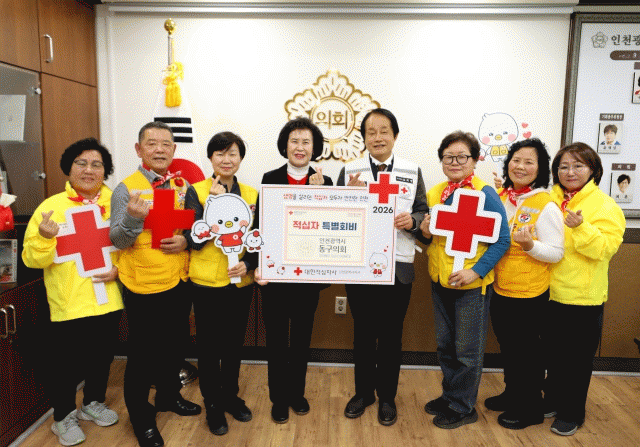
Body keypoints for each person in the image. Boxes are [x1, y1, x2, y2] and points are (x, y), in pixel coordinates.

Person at [23, 138, 122, 446]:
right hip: (69, 302)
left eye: (96, 164)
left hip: (108, 298)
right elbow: (32, 260)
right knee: (64, 365)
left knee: (102, 357)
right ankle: (63, 417)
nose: (89, 170)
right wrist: (44, 237)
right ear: (69, 168)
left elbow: (131, 247)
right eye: (81, 163)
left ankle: (93, 403)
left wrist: (120, 269)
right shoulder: (50, 208)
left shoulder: (117, 203)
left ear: (105, 171)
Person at [110, 122, 201, 447]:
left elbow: (194, 228)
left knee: (175, 346)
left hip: (179, 280)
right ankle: (141, 417)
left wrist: (186, 240)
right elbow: (118, 240)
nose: (159, 149)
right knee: (143, 355)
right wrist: (134, 217)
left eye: (166, 144)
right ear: (139, 149)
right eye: (152, 143)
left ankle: (168, 396)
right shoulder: (126, 189)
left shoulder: (182, 185)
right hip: (143, 285)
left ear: (174, 150)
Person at [337, 108, 428, 426]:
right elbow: (336, 214)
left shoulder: (411, 171)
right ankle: (364, 393)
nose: (377, 137)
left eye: (384, 131)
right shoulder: (351, 170)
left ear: (395, 135)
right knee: (362, 333)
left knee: (391, 336)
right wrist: (347, 200)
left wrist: (412, 221)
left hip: (398, 265)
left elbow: (423, 210)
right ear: (363, 138)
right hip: (360, 265)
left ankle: (387, 397)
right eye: (371, 132)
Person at [420, 130, 509, 429]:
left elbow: (503, 240)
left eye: (462, 157)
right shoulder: (436, 193)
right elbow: (430, 239)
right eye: (449, 157)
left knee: (467, 351)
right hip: (440, 281)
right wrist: (425, 233)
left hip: (471, 286)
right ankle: (450, 396)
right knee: (446, 346)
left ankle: (463, 406)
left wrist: (476, 271)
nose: (455, 162)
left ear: (474, 160)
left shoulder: (485, 193)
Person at [254, 117, 332, 424]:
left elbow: (328, 228)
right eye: (295, 141)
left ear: (315, 148)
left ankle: (297, 394)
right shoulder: (270, 177)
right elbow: (260, 225)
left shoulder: (325, 181)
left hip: (307, 278)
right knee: (276, 340)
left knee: (301, 339)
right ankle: (278, 398)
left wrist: (319, 195)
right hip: (275, 276)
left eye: (306, 142)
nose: (300, 147)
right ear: (285, 145)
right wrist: (259, 266)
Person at [545, 142, 625, 436]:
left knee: (577, 361)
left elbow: (605, 249)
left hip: (582, 297)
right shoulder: (548, 199)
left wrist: (580, 227)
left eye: (578, 166)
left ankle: (572, 412)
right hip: (547, 292)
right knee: (552, 355)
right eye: (563, 166)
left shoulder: (605, 205)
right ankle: (552, 400)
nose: (570, 172)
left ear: (593, 170)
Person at [484, 138, 564, 430]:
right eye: (516, 160)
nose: (520, 166)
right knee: (509, 347)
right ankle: (513, 393)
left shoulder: (546, 204)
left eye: (529, 162)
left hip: (530, 293)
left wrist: (530, 245)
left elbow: (556, 252)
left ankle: (530, 408)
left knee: (527, 353)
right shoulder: (504, 198)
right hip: (501, 287)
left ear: (540, 169)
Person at [184, 132, 256, 436]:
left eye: (232, 154)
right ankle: (212, 403)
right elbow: (193, 240)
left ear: (240, 158)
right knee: (210, 346)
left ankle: (230, 396)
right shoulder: (196, 191)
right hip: (206, 282)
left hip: (240, 281)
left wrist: (249, 264)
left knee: (234, 344)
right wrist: (211, 204)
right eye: (220, 154)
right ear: (211, 158)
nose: (226, 160)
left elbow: (258, 239)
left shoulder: (251, 194)